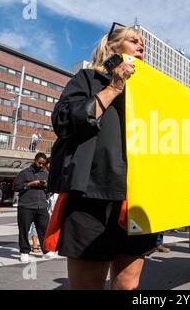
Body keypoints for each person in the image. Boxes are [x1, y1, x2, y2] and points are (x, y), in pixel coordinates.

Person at [47, 23, 157, 290]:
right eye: (133, 40)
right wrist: (114, 87)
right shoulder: (86, 79)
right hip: (92, 198)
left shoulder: (150, 94)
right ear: (111, 46)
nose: (141, 46)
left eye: (143, 44)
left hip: (137, 199)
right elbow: (63, 122)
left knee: (128, 287)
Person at [14, 152, 53, 263]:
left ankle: (46, 250)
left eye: (43, 163)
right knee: (24, 230)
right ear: (34, 160)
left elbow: (51, 188)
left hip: (41, 206)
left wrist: (46, 185)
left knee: (44, 230)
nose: (41, 165)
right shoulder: (24, 173)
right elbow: (16, 187)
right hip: (26, 206)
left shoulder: (46, 174)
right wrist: (30, 184)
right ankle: (24, 251)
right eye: (39, 162)